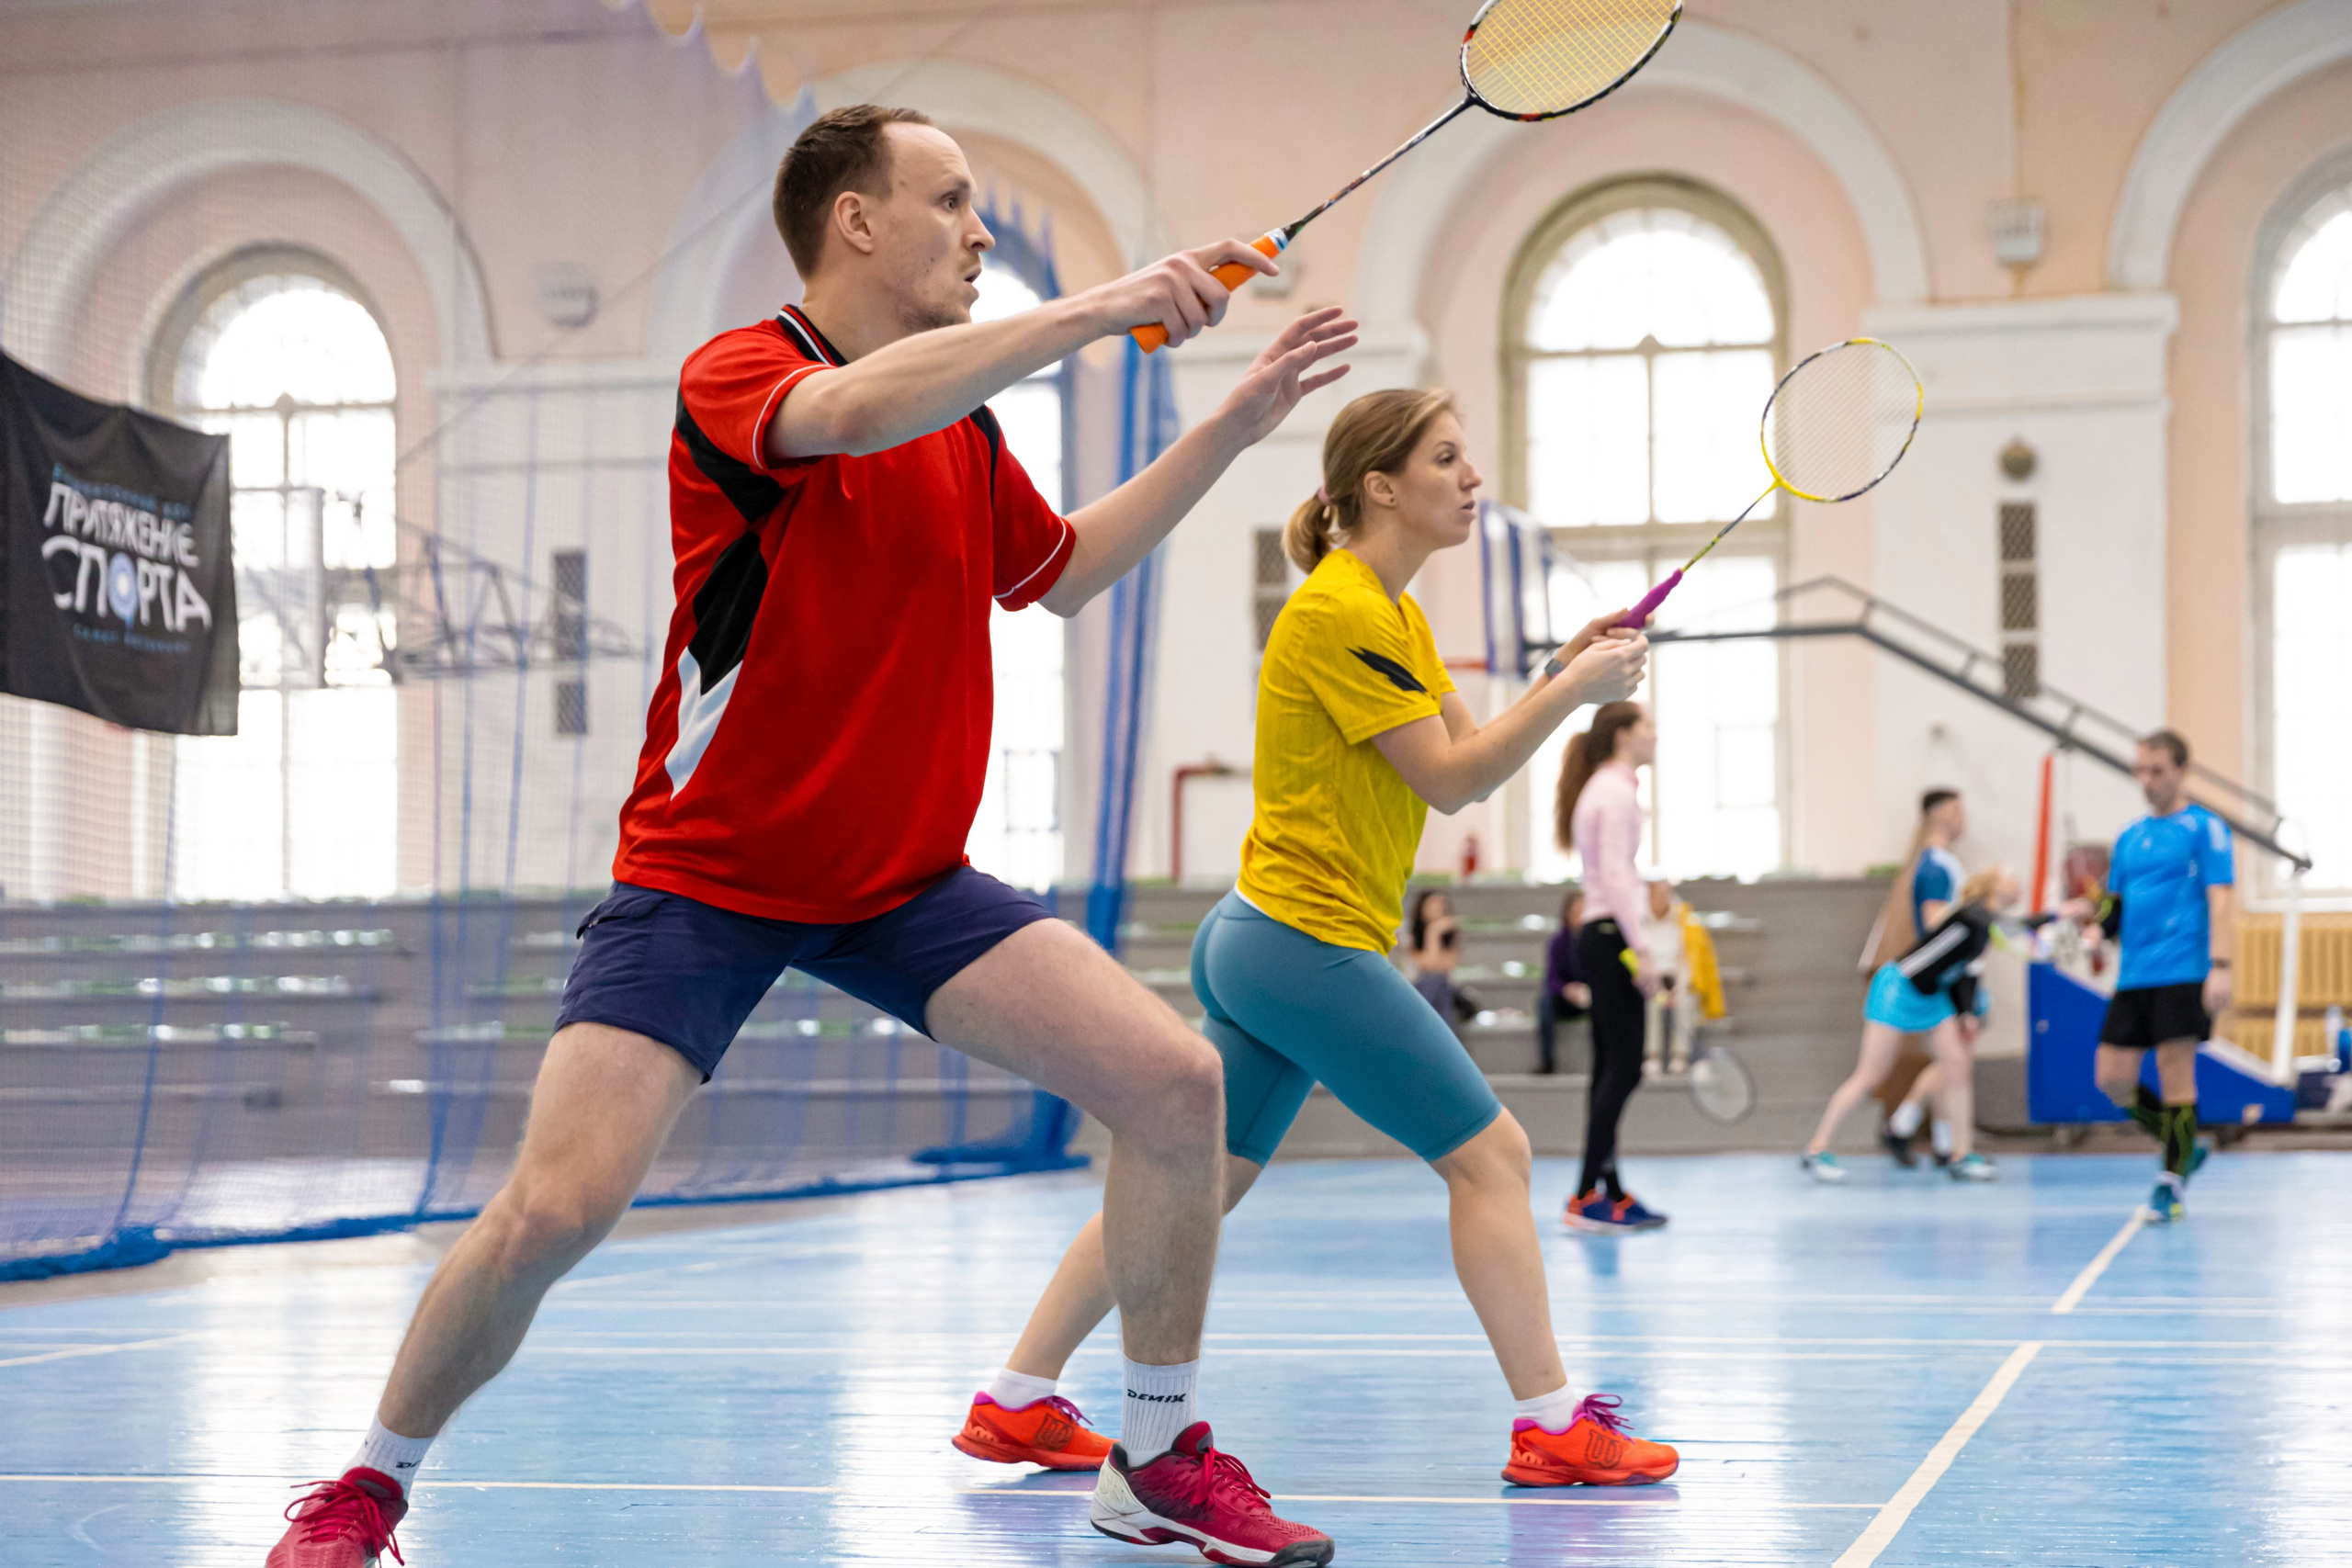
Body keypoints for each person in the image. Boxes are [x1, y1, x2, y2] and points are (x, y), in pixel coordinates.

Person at [266, 105, 1357, 1568]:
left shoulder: (965, 429)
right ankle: (365, 1487)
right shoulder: (744, 373)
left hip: (904, 879)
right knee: (556, 1207)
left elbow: (1065, 573)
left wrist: (1230, 427)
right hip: (709, 877)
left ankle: (1154, 1452)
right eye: (953, 200)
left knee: (1174, 1084)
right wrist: (1100, 304)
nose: (980, 231)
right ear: (855, 220)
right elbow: (853, 414)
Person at [960, 388, 1675, 1504]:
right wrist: (1575, 696)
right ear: (1380, 486)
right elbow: (1454, 784)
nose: (1472, 477)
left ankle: (1014, 1395)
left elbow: (1462, 747)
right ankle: (1548, 1425)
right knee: (1491, 1161)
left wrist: (1557, 675)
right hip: (1302, 943)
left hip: (1265, 943)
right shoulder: (1338, 609)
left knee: (1183, 1193)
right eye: (1448, 458)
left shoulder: (1392, 611)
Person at [2075, 730, 2233, 1224]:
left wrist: (2221, 966)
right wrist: (2097, 932)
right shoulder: (2129, 837)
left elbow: (2220, 899)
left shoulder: (2205, 829)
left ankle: (2169, 1185)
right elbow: (2114, 905)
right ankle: (2181, 1146)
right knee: (2112, 1079)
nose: (2147, 780)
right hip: (2134, 976)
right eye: (2140, 770)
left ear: (2182, 771)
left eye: (2157, 770)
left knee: (2174, 1074)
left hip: (2183, 969)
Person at [1802, 865, 2025, 1184]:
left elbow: (1967, 975)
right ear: (1993, 884)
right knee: (1871, 1074)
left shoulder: (1984, 929)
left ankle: (1960, 1155)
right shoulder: (1975, 914)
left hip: (1934, 997)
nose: (2018, 882)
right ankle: (1816, 1148)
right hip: (1898, 988)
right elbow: (2012, 928)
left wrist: (1967, 1014)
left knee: (1957, 1066)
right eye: (2011, 876)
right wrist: (2058, 918)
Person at [1555, 703, 1670, 1233]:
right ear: (1624, 735)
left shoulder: (1602, 788)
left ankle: (1611, 1190)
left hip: (1598, 938)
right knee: (1623, 1069)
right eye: (1647, 728)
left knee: (1609, 1070)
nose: (1654, 736)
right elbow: (1620, 877)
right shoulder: (1617, 793)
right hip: (1609, 936)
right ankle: (1584, 1194)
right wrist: (1642, 948)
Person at [1878, 789, 1968, 1167]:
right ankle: (1917, 1131)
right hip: (1942, 977)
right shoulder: (1935, 867)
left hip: (1951, 973)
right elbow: (1936, 925)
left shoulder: (1946, 863)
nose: (1965, 818)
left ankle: (1928, 1136)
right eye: (1959, 810)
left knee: (1954, 1062)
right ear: (1944, 813)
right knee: (1954, 1061)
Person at [1637, 879, 1722, 1078]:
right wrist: (1655, 987)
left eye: (1666, 895)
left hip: (1678, 983)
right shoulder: (1639, 924)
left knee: (1685, 1002)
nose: (1662, 900)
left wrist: (1677, 991)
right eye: (1657, 895)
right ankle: (1653, 1057)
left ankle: (1680, 1056)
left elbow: (1688, 963)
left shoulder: (1685, 924)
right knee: (1652, 1004)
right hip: (1650, 984)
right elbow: (1636, 960)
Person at [1407, 887, 1487, 1024]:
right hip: (1419, 990)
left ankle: (1431, 1024)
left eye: (1440, 905)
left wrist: (1436, 933)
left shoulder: (1450, 936)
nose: (1437, 909)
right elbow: (1427, 965)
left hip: (1441, 991)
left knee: (1438, 981)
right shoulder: (1411, 936)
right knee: (1430, 982)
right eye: (1432, 905)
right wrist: (1432, 932)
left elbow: (1446, 966)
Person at [1535, 890, 1589, 1076]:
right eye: (1575, 912)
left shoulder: (1593, 943)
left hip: (1591, 996)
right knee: (1544, 1003)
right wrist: (1567, 990)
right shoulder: (1558, 942)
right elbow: (1551, 979)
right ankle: (1547, 1061)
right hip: (1566, 997)